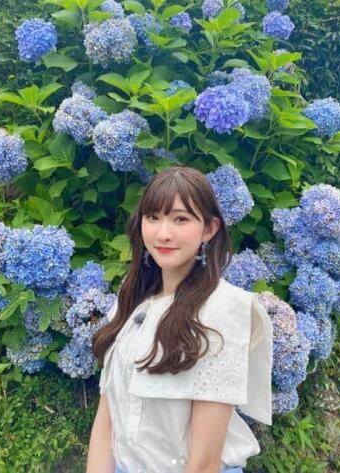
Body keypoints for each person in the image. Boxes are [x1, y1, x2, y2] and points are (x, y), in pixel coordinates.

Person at [86, 166, 273, 473]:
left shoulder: (224, 309)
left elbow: (204, 463)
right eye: (153, 217)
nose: (163, 233)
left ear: (209, 229)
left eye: (180, 219)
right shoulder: (132, 299)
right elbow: (107, 416)